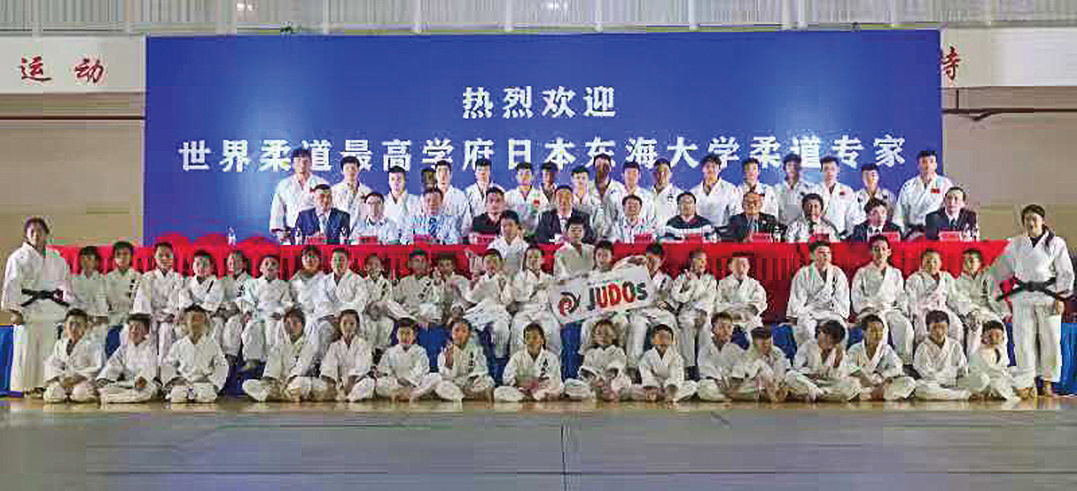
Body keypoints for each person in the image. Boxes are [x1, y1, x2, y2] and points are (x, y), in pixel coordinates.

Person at [992, 204, 1074, 397]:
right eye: (1027, 219)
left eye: (1034, 219)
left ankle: (1048, 382)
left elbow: (1065, 272)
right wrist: (989, 277)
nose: (1030, 223)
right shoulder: (1016, 243)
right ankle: (1027, 383)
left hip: (1049, 296)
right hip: (1023, 296)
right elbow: (1000, 269)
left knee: (1050, 340)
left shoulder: (1056, 243)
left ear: (1042, 221)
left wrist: (1061, 297)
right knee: (1023, 341)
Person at [3, 217, 71, 397]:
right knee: (26, 349)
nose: (36, 234)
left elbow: (66, 281)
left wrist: (69, 304)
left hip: (50, 310)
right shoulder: (18, 257)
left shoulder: (56, 257)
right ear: (26, 235)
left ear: (46, 233)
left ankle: (44, 385)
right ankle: (26, 387)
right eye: (31, 231)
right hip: (28, 310)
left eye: (40, 230)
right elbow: (11, 285)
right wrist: (14, 310)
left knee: (48, 351)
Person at [850, 235, 914, 363]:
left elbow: (900, 294)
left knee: (905, 326)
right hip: (871, 310)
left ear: (889, 252)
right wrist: (866, 308)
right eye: (876, 249)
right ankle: (877, 363)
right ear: (870, 252)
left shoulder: (895, 273)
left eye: (883, 249)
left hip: (890, 309)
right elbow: (856, 294)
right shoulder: (862, 272)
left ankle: (904, 362)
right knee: (879, 328)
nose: (880, 253)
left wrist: (904, 309)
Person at [242, 307, 320, 402]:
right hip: (278, 384)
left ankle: (276, 395)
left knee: (301, 384)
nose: (291, 326)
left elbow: (301, 367)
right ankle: (283, 395)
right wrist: (270, 381)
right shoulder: (280, 345)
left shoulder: (309, 345)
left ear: (302, 325)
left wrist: (288, 381)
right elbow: (272, 366)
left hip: (294, 381)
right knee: (247, 384)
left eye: (295, 323)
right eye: (288, 323)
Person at [226, 255, 290, 371]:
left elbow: (287, 302)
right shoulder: (251, 283)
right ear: (260, 268)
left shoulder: (283, 285)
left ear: (279, 269)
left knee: (272, 331)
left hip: (273, 313)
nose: (270, 266)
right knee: (252, 328)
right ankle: (251, 360)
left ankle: (272, 360)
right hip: (256, 312)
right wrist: (248, 311)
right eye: (266, 264)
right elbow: (245, 299)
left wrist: (280, 311)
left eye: (273, 264)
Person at [622, 243, 678, 368]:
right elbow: (617, 271)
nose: (649, 265)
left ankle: (671, 364)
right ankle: (633, 367)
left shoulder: (666, 279)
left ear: (661, 262)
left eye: (654, 262)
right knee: (635, 326)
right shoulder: (635, 274)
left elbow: (672, 301)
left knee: (669, 323)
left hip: (658, 313)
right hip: (640, 311)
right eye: (647, 260)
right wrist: (631, 259)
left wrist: (666, 304)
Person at [787, 241, 850, 348]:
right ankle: (810, 356)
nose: (825, 255)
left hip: (831, 311)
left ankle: (835, 357)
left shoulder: (837, 273)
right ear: (811, 256)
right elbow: (797, 297)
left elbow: (842, 297)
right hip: (809, 312)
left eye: (828, 253)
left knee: (840, 329)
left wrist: (842, 315)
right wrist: (795, 316)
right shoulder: (803, 273)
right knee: (805, 329)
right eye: (821, 252)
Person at [160, 305, 229, 403]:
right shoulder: (178, 345)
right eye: (193, 319)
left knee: (205, 395)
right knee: (177, 396)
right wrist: (175, 379)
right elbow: (168, 364)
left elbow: (222, 365)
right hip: (184, 383)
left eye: (200, 319)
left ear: (205, 322)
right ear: (185, 321)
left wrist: (213, 381)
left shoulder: (212, 344)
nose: (196, 323)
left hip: (204, 383)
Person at [166, 251, 224, 361]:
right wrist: (182, 310)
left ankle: (210, 360)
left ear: (211, 267)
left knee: (216, 327)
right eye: (197, 264)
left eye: (205, 264)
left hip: (208, 316)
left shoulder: (216, 283)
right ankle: (182, 360)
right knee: (178, 329)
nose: (201, 267)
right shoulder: (188, 281)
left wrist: (196, 314)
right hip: (188, 315)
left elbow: (211, 303)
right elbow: (183, 297)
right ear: (192, 266)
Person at [844, 314, 916, 401]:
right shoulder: (855, 349)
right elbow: (849, 366)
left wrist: (884, 376)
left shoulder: (886, 349)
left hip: (881, 384)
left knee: (909, 382)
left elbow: (897, 367)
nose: (878, 334)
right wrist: (863, 377)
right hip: (861, 383)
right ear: (864, 332)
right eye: (873, 331)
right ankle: (877, 395)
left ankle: (871, 395)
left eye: (880, 331)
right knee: (849, 383)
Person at [130, 242, 182, 360]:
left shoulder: (177, 277)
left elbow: (175, 299)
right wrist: (151, 318)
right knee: (145, 331)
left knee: (166, 330)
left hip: (169, 317)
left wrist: (168, 314)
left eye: (168, 255)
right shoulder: (147, 277)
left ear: (173, 257)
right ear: (154, 257)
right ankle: (144, 365)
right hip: (150, 316)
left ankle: (163, 366)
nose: (164, 258)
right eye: (160, 255)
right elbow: (143, 300)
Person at [912, 310, 979, 401]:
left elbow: (963, 370)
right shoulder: (922, 348)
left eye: (943, 327)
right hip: (935, 385)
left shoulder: (955, 345)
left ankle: (949, 394)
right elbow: (927, 375)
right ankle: (963, 395)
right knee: (923, 389)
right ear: (927, 329)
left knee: (982, 379)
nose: (939, 332)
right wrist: (950, 378)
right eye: (934, 328)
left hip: (956, 383)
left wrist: (958, 377)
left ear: (948, 328)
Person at [311, 309, 375, 402]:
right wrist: (334, 384)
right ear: (339, 325)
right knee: (319, 385)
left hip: (357, 382)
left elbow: (361, 368)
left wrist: (349, 385)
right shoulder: (334, 346)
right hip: (339, 383)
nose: (348, 327)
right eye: (344, 323)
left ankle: (348, 397)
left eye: (352, 324)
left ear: (357, 326)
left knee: (368, 383)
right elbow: (329, 367)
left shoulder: (363, 344)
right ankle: (343, 396)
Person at [788, 320, 861, 402]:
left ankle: (818, 394)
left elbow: (838, 378)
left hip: (828, 385)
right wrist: (810, 374)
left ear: (835, 343)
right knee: (791, 375)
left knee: (854, 383)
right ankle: (822, 395)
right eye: (824, 335)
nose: (823, 340)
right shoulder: (808, 345)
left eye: (828, 340)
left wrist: (837, 362)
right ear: (820, 332)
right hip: (809, 382)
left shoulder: (839, 352)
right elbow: (797, 367)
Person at [954, 249, 1009, 355]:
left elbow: (996, 294)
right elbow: (961, 300)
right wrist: (974, 312)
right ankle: (972, 360)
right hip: (970, 312)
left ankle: (1001, 360)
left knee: (999, 327)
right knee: (976, 328)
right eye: (964, 261)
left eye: (971, 261)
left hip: (988, 311)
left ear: (979, 263)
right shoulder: (958, 281)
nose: (967, 264)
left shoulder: (987, 276)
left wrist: (1004, 311)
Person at [905, 249, 965, 346]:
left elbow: (954, 296)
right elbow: (911, 297)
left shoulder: (946, 277)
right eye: (928, 262)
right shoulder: (915, 278)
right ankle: (924, 353)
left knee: (957, 326)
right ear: (921, 263)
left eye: (935, 261)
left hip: (943, 308)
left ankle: (954, 352)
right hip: (923, 311)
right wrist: (913, 313)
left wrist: (962, 311)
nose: (932, 265)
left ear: (940, 263)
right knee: (922, 330)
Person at [95, 313, 159, 404]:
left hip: (145, 384)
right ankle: (123, 397)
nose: (133, 331)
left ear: (146, 331)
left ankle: (113, 399)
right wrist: (103, 379)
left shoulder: (151, 348)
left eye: (138, 328)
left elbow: (150, 367)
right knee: (105, 389)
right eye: (131, 327)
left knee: (147, 391)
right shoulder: (123, 348)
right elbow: (112, 364)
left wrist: (142, 378)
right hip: (127, 383)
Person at [42, 309, 104, 403]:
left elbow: (97, 367)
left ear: (85, 326)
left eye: (78, 325)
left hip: (83, 381)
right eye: (70, 324)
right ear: (65, 326)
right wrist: (58, 378)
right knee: (51, 395)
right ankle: (67, 395)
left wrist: (76, 378)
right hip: (64, 381)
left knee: (80, 394)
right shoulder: (60, 344)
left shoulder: (94, 345)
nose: (74, 328)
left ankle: (90, 395)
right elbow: (52, 364)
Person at [269, 148, 330, 243]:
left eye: (305, 161)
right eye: (298, 161)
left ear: (311, 163)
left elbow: (329, 208)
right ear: (292, 164)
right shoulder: (284, 184)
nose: (302, 164)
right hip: (291, 231)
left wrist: (324, 230)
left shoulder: (321, 183)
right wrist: (279, 230)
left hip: (316, 232)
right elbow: (277, 209)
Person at [461, 250, 513, 359]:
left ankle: (499, 356)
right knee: (468, 328)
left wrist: (503, 288)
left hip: (498, 312)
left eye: (495, 262)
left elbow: (507, 301)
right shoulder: (480, 279)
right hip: (481, 311)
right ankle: (477, 357)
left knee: (501, 329)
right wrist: (472, 285)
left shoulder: (504, 279)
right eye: (488, 262)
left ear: (501, 264)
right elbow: (472, 299)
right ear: (483, 265)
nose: (491, 265)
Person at [510, 245, 560, 356]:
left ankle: (552, 362)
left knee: (552, 331)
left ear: (542, 260)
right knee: (519, 332)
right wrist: (534, 289)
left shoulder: (549, 278)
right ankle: (519, 363)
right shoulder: (519, 277)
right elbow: (517, 296)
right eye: (529, 257)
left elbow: (555, 299)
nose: (532, 260)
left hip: (544, 312)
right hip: (524, 312)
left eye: (536, 257)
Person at [671, 249, 718, 369]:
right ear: (691, 261)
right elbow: (677, 297)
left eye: (705, 260)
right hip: (687, 312)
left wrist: (703, 313)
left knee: (705, 329)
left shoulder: (710, 279)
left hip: (704, 312)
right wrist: (687, 285)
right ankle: (689, 366)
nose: (703, 263)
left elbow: (710, 297)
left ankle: (705, 367)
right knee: (687, 327)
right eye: (700, 260)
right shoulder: (682, 277)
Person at [374, 319, 441, 401]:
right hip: (397, 384)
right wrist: (381, 373)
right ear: (396, 335)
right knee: (379, 383)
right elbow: (383, 369)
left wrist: (409, 381)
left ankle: (411, 394)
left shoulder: (420, 351)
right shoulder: (390, 351)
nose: (404, 337)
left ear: (414, 335)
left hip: (414, 385)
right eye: (401, 333)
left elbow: (420, 370)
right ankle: (403, 394)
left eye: (408, 333)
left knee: (436, 377)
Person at [564, 319, 631, 401]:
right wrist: (594, 379)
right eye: (599, 334)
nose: (603, 337)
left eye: (607, 333)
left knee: (624, 383)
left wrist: (606, 379)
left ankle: (611, 393)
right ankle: (593, 394)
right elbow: (586, 368)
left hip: (611, 381)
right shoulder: (590, 352)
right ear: (594, 337)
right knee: (568, 383)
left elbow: (617, 366)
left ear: (614, 336)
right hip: (594, 383)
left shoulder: (618, 351)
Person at [495, 323, 563, 402]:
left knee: (561, 386)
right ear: (524, 341)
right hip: (522, 391)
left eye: (534, 338)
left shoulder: (551, 358)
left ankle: (534, 397)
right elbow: (506, 377)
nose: (531, 341)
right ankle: (529, 398)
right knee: (499, 391)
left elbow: (556, 380)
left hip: (543, 390)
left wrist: (539, 382)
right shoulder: (517, 357)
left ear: (542, 341)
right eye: (527, 338)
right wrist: (519, 382)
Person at [893, 150, 954, 235]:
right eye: (924, 162)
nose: (928, 166)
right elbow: (900, 212)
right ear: (918, 165)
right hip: (914, 231)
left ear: (936, 165)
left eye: (931, 162)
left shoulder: (945, 184)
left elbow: (952, 208)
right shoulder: (909, 185)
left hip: (937, 231)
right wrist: (901, 233)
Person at [630, 324, 696, 402]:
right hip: (654, 387)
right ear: (652, 340)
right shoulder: (647, 356)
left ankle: (668, 396)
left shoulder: (676, 357)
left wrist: (670, 390)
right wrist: (652, 388)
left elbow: (677, 376)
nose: (664, 341)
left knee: (692, 385)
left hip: (671, 388)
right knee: (633, 389)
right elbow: (646, 374)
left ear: (671, 341)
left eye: (668, 338)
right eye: (661, 337)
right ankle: (665, 397)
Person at [434, 318, 495, 402]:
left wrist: (472, 378)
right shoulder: (445, 352)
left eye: (464, 331)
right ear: (451, 333)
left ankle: (464, 396)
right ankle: (462, 397)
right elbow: (446, 377)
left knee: (488, 381)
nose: (459, 334)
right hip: (454, 385)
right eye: (456, 330)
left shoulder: (476, 350)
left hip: (471, 384)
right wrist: (449, 363)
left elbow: (482, 370)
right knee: (441, 386)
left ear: (469, 334)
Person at [289, 246, 334, 357]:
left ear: (319, 260)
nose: (310, 259)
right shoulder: (294, 280)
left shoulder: (326, 279)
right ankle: (308, 360)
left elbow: (329, 301)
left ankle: (323, 361)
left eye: (314, 257)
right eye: (307, 257)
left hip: (322, 315)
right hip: (301, 314)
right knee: (311, 324)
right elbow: (290, 301)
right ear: (301, 260)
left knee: (325, 328)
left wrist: (326, 314)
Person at [967, 320, 1029, 401]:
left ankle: (1018, 390)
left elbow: (1004, 370)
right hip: (985, 382)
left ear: (1003, 338)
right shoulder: (977, 354)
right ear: (982, 337)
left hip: (1000, 380)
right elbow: (978, 373)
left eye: (997, 336)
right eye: (989, 336)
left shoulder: (1000, 352)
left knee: (1016, 370)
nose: (993, 339)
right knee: (991, 382)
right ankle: (1008, 392)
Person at [728, 326, 792, 402]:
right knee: (760, 365)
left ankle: (779, 393)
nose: (766, 345)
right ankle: (768, 395)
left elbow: (783, 371)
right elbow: (737, 381)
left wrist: (777, 383)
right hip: (756, 387)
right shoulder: (747, 356)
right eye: (762, 343)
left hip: (778, 384)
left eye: (768, 342)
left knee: (792, 376)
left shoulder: (777, 352)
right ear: (754, 342)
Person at [696, 313, 747, 402]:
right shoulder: (706, 349)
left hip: (732, 384)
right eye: (721, 327)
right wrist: (722, 386)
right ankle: (727, 397)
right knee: (703, 387)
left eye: (729, 327)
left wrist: (734, 386)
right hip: (715, 384)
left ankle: (730, 395)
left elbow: (741, 370)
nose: (726, 331)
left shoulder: (736, 349)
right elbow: (707, 372)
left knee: (753, 383)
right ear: (713, 330)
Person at [712, 252, 767, 331]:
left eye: (744, 265)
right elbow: (719, 304)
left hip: (750, 320)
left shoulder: (755, 284)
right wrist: (736, 312)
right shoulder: (722, 283)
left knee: (756, 329)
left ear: (748, 267)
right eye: (737, 265)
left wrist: (743, 314)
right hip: (729, 319)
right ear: (730, 267)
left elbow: (758, 304)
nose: (741, 269)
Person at [390, 250, 443, 329]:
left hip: (423, 313)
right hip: (407, 313)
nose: (420, 264)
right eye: (417, 261)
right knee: (389, 303)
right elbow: (397, 299)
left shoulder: (433, 281)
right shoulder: (404, 281)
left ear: (427, 264)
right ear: (410, 264)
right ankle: (414, 320)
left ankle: (414, 320)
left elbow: (437, 300)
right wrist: (394, 285)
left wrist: (437, 284)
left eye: (423, 261)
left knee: (435, 308)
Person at [811, 156, 862, 238]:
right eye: (826, 169)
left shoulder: (847, 190)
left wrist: (850, 235)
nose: (829, 172)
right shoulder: (814, 190)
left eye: (833, 169)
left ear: (838, 170)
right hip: (819, 236)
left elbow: (852, 215)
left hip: (841, 235)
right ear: (821, 170)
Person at [66, 246, 109, 341]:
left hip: (98, 321)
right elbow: (70, 302)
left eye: (89, 258)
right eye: (82, 259)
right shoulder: (73, 279)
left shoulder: (104, 279)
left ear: (96, 262)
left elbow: (108, 303)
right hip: (78, 320)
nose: (85, 262)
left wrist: (100, 318)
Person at [688, 154, 740, 229]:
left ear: (719, 169)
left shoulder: (730, 189)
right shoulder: (694, 191)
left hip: (723, 231)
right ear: (702, 169)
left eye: (714, 167)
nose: (711, 170)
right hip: (700, 231)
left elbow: (735, 213)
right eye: (707, 166)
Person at [358, 254, 397, 353]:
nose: (373, 267)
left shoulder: (386, 284)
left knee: (387, 323)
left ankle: (380, 350)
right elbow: (360, 300)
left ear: (382, 268)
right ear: (365, 267)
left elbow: (388, 300)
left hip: (382, 313)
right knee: (368, 325)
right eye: (370, 264)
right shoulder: (361, 283)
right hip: (366, 313)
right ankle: (369, 351)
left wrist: (379, 307)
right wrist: (369, 308)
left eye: (376, 265)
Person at [104, 241, 140, 333]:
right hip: (111, 317)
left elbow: (141, 302)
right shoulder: (107, 278)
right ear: (114, 257)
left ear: (131, 257)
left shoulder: (138, 277)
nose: (122, 257)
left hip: (133, 317)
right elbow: (103, 301)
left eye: (125, 254)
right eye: (118, 254)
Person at [504, 162, 549, 235]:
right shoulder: (508, 195)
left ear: (532, 177)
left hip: (535, 234)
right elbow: (505, 217)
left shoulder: (540, 196)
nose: (524, 177)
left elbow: (546, 216)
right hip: (514, 234)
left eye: (527, 174)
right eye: (521, 174)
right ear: (516, 177)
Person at [591, 154, 628, 238]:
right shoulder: (587, 188)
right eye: (598, 166)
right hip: (591, 237)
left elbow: (624, 216)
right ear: (593, 168)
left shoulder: (620, 189)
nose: (601, 169)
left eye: (605, 166)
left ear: (610, 168)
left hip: (614, 237)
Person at [331, 156, 372, 231]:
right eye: (347, 168)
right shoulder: (334, 191)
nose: (350, 171)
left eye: (353, 168)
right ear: (342, 171)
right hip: (339, 231)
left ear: (358, 170)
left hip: (361, 231)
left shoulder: (367, 191)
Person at [774, 153, 814, 226]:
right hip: (782, 226)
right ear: (784, 168)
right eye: (789, 165)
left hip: (803, 226)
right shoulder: (776, 189)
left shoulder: (809, 188)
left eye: (795, 165)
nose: (792, 168)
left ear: (800, 168)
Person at [570, 166, 609, 237]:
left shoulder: (596, 202)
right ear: (572, 179)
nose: (580, 181)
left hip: (590, 238)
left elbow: (599, 225)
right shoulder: (567, 201)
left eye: (583, 178)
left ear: (588, 180)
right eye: (577, 178)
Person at [487, 212, 528, 276]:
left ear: (517, 226)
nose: (507, 229)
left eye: (510, 225)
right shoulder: (493, 246)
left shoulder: (525, 247)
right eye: (504, 226)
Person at [616, 161, 657, 225]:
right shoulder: (615, 195)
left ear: (639, 176)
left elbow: (651, 219)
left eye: (634, 174)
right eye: (628, 173)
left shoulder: (647, 196)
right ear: (623, 175)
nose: (631, 177)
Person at [651, 159, 683, 228]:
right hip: (647, 233)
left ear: (670, 174)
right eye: (658, 171)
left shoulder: (678, 194)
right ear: (653, 174)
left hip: (670, 232)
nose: (661, 174)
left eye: (665, 171)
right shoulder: (645, 194)